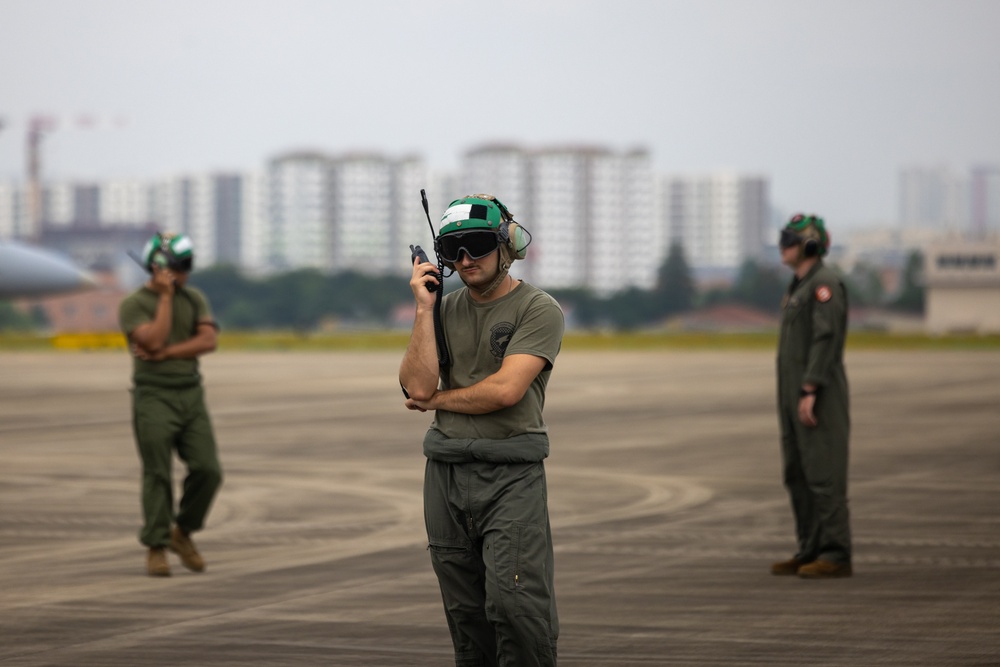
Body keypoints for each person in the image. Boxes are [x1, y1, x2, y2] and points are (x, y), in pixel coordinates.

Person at [400, 194, 565, 666]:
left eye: (475, 245)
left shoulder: (538, 309)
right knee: (465, 616)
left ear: (506, 244)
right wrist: (422, 310)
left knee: (516, 607)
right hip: (446, 474)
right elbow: (415, 384)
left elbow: (506, 391)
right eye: (452, 250)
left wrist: (437, 401)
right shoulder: (442, 312)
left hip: (510, 473)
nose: (465, 260)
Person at [119, 232, 223, 577]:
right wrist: (164, 299)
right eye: (180, 266)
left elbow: (207, 340)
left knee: (208, 470)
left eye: (187, 266)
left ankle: (183, 531)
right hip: (154, 396)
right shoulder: (134, 304)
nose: (185, 273)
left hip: (190, 394)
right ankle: (156, 546)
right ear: (158, 267)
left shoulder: (193, 299)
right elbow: (151, 337)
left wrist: (165, 354)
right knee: (157, 473)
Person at [771, 214, 853, 579]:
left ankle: (835, 553)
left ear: (809, 244)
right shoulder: (799, 286)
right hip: (792, 395)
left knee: (823, 474)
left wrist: (810, 389)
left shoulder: (823, 284)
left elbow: (826, 340)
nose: (782, 244)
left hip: (816, 394)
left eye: (789, 239)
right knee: (797, 474)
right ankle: (810, 548)